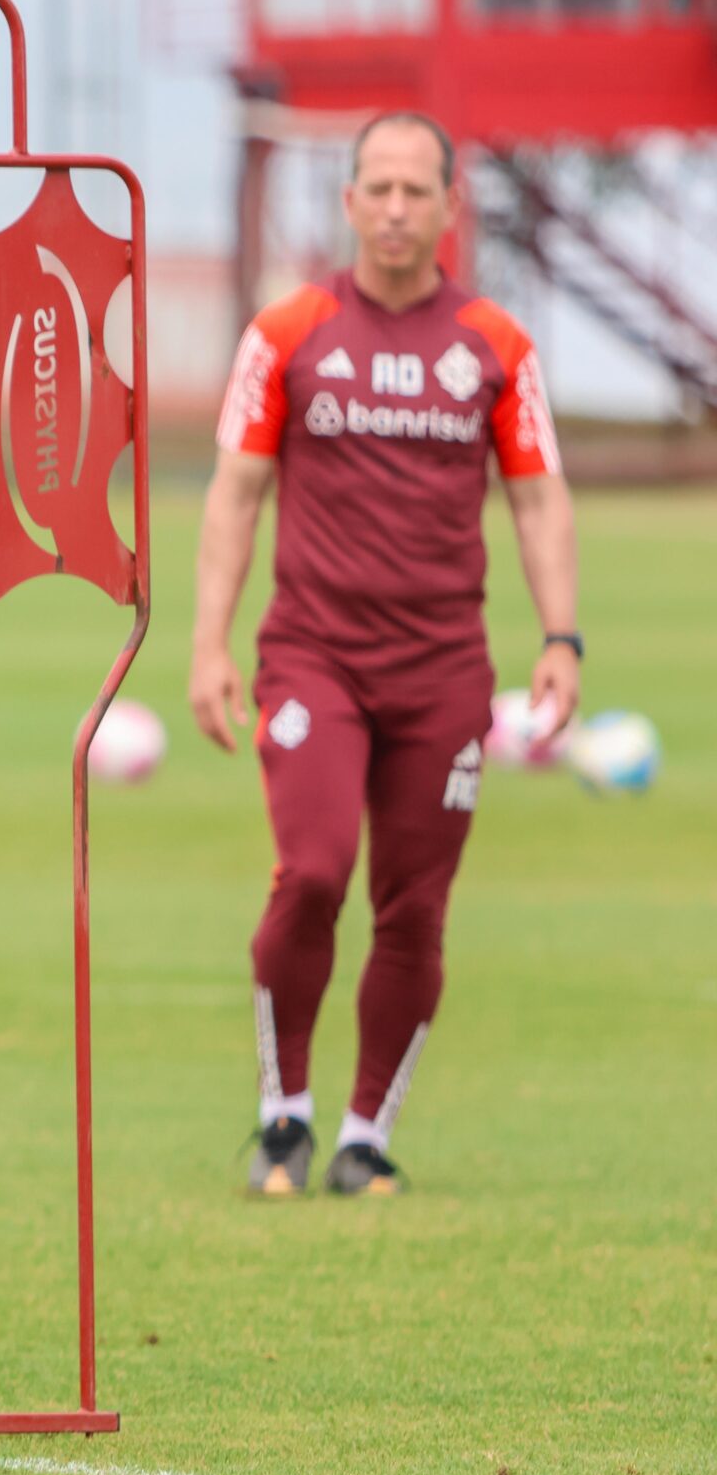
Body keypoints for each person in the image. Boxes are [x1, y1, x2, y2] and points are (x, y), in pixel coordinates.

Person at [194, 111, 578, 1198]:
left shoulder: (496, 346)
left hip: (443, 672)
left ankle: (364, 1135)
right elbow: (234, 492)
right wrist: (206, 644)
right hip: (312, 659)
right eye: (380, 189)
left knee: (412, 909)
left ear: (449, 207)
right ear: (350, 202)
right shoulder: (287, 332)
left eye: (419, 191)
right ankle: (284, 1116)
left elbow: (539, 499)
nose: (399, 209)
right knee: (311, 872)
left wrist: (560, 638)